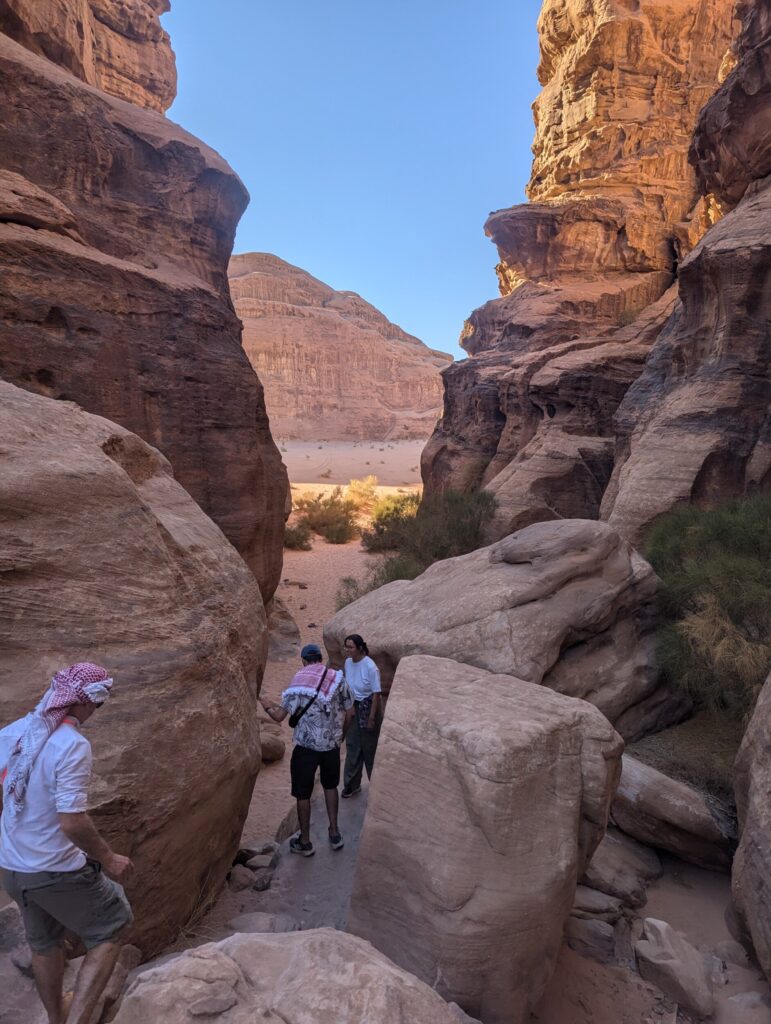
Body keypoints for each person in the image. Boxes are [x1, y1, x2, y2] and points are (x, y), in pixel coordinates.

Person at [0, 663, 134, 1024]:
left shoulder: (15, 732)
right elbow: (71, 821)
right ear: (85, 704)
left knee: (44, 944)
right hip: (53, 869)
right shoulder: (72, 746)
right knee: (113, 924)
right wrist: (108, 858)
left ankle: (56, 1016)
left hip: (14, 868)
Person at [260, 643, 353, 857]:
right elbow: (351, 713)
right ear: (320, 658)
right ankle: (335, 833)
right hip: (330, 746)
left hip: (305, 748)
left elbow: (279, 717)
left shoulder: (299, 681)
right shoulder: (337, 679)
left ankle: (305, 841)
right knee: (331, 787)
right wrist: (341, 737)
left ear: (303, 661)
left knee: (303, 794)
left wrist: (265, 704)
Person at [341, 634, 382, 799]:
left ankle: (376, 789)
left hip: (369, 707)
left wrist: (371, 718)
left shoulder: (370, 667)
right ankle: (351, 785)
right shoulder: (348, 663)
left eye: (350, 647)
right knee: (352, 746)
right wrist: (348, 707)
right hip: (353, 707)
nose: (347, 650)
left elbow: (376, 694)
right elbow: (346, 686)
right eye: (346, 647)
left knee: (369, 749)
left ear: (359, 648)